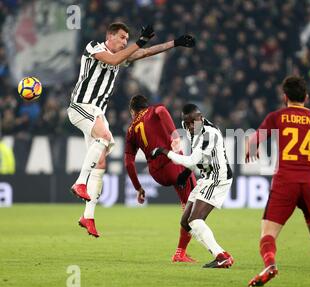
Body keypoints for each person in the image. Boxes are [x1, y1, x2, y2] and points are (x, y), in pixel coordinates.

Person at [67, 22, 195, 237]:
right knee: (105, 137)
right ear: (110, 36)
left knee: (101, 162)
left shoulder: (123, 55)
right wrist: (140, 41)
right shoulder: (94, 48)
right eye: (122, 38)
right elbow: (115, 59)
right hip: (81, 106)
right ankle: (80, 183)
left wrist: (175, 43)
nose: (125, 42)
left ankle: (87, 216)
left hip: (97, 111)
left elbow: (145, 53)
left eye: (128, 39)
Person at [246, 75, 310, 287]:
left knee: (268, 233)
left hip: (285, 182)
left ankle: (270, 265)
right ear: (306, 97)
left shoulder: (277, 116)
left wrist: (250, 148)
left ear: (285, 97)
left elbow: (255, 139)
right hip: (309, 183)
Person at [151, 103, 234, 268]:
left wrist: (164, 152)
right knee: (185, 222)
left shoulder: (209, 134)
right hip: (206, 176)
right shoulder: (190, 127)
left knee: (195, 220)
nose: (189, 127)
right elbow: (196, 159)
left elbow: (191, 160)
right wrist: (186, 174)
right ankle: (194, 253)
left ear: (201, 119)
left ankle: (222, 256)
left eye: (192, 123)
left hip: (217, 178)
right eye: (186, 123)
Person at [124, 95, 197, 263]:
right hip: (172, 162)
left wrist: (138, 188)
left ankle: (182, 252)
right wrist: (175, 136)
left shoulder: (130, 130)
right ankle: (181, 252)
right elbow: (162, 110)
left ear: (132, 112)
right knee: (192, 205)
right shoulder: (152, 110)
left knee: (188, 204)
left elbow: (129, 163)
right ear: (145, 106)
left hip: (156, 173)